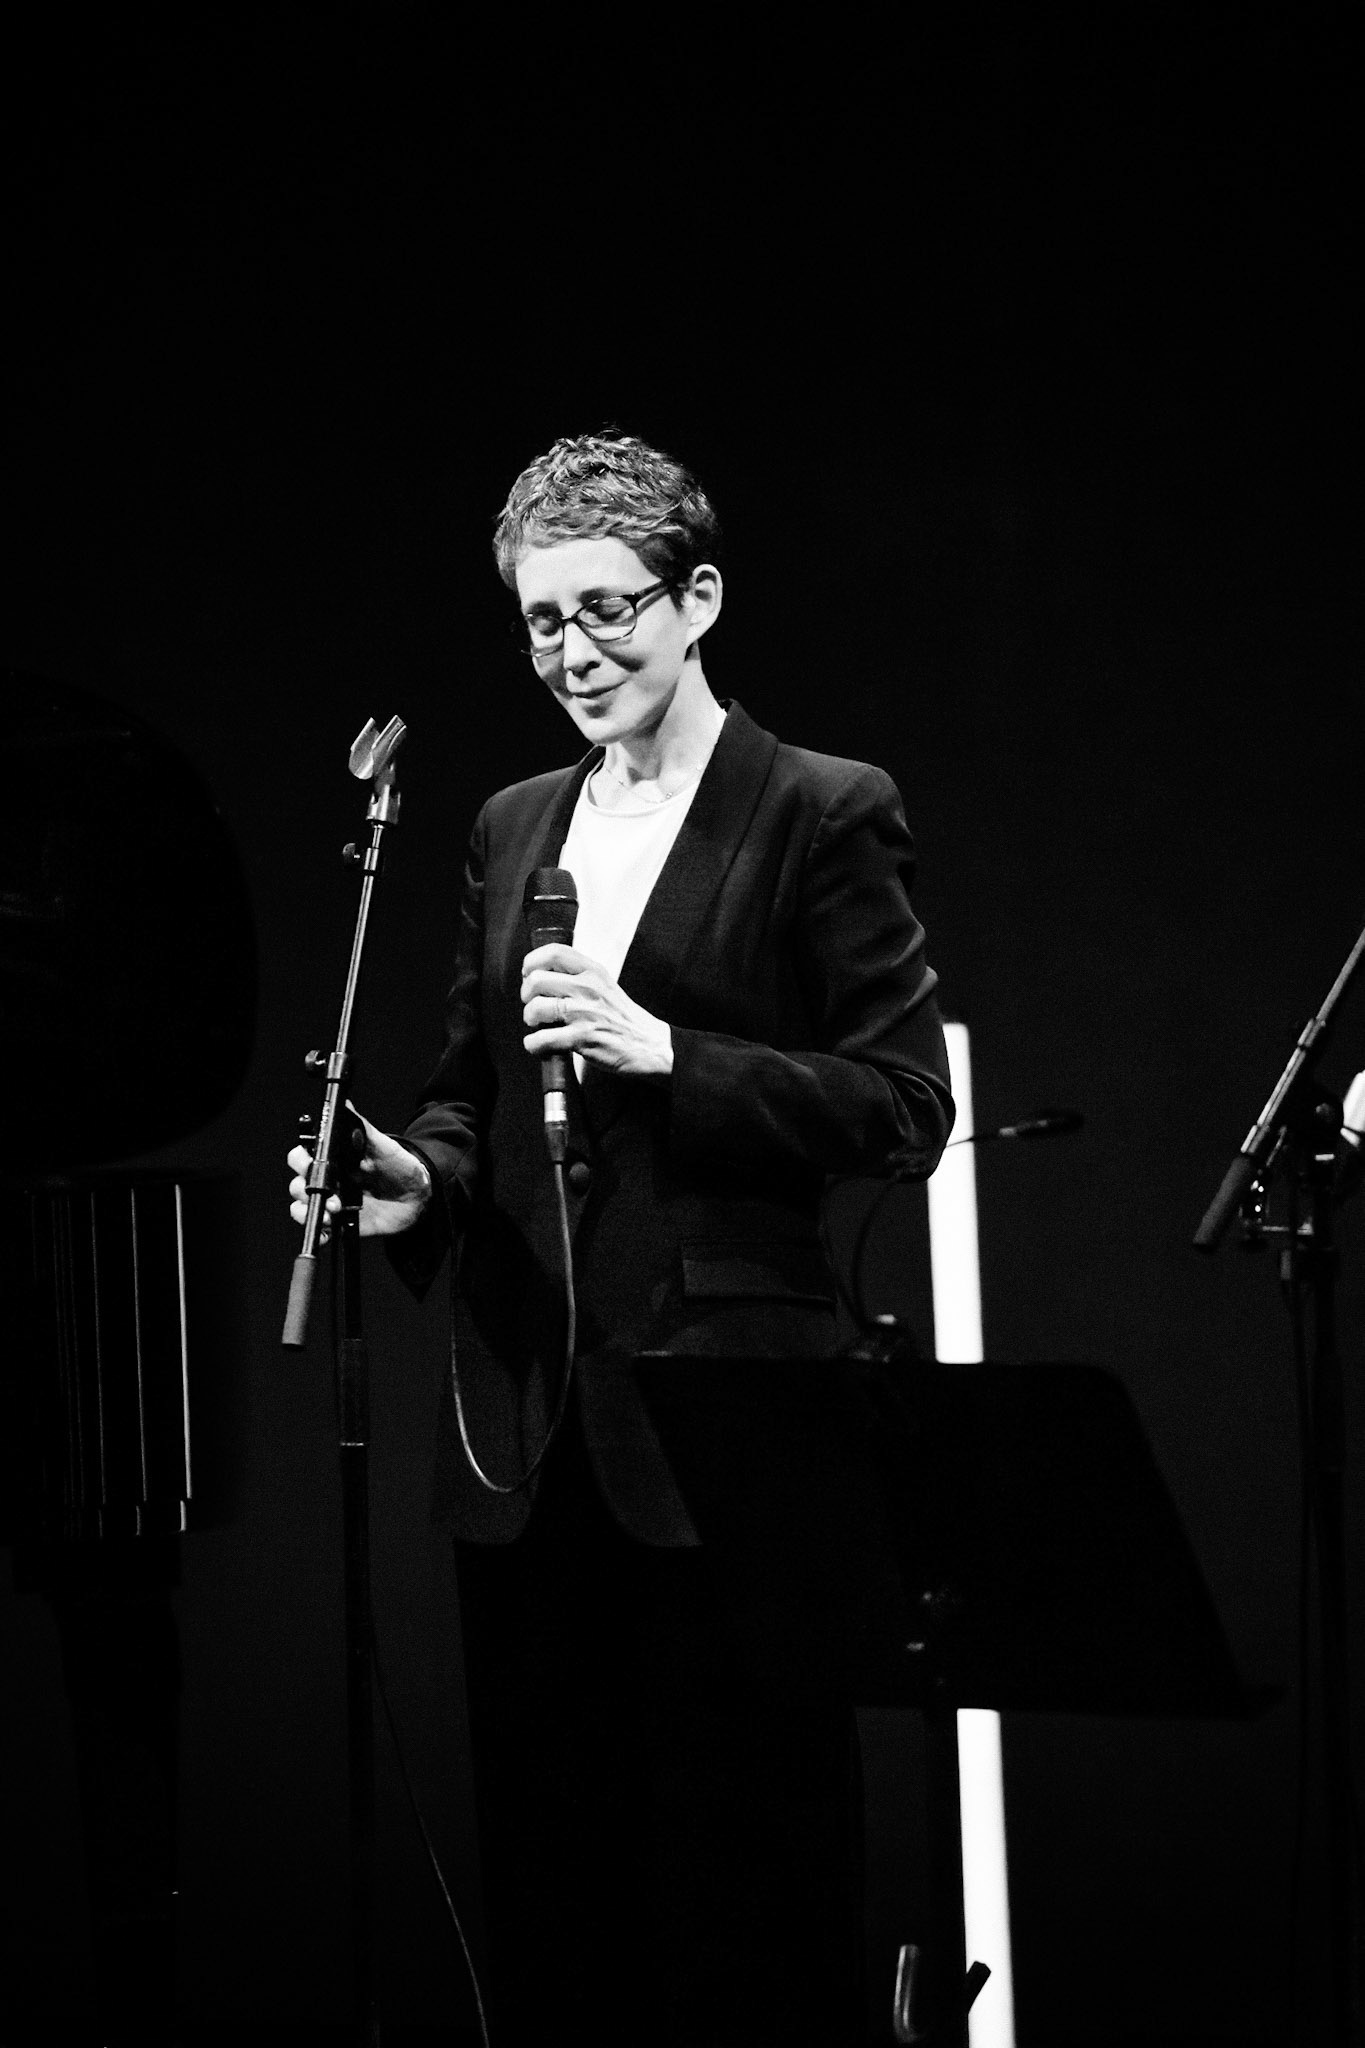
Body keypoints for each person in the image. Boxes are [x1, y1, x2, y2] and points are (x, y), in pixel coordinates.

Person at [288, 430, 954, 2046]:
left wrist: (670, 1055)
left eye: (607, 611)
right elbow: (471, 1096)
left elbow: (900, 1105)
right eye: (540, 623)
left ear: (697, 598)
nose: (573, 653)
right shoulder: (512, 826)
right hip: (529, 1429)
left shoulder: (817, 810)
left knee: (751, 1881)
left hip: (731, 1427)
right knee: (560, 1890)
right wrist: (416, 1178)